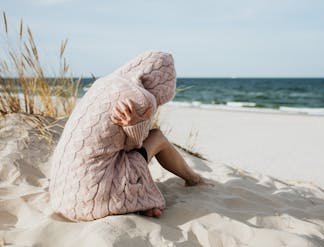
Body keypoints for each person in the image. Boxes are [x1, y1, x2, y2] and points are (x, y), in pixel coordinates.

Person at [49, 51, 210, 222]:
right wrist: (136, 127)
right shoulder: (141, 98)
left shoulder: (103, 83)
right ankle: (193, 179)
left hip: (63, 194)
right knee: (158, 137)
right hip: (93, 198)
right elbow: (133, 147)